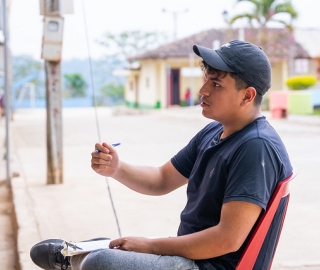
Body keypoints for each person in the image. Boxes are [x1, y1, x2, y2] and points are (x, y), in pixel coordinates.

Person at [30, 40, 292, 270]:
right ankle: (86, 256)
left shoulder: (256, 147)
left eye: (216, 84)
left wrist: (151, 246)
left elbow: (228, 238)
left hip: (206, 265)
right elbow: (161, 179)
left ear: (247, 96)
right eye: (206, 80)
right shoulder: (214, 132)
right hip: (190, 258)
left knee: (101, 263)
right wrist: (117, 168)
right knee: (106, 257)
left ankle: (82, 258)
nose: (203, 91)